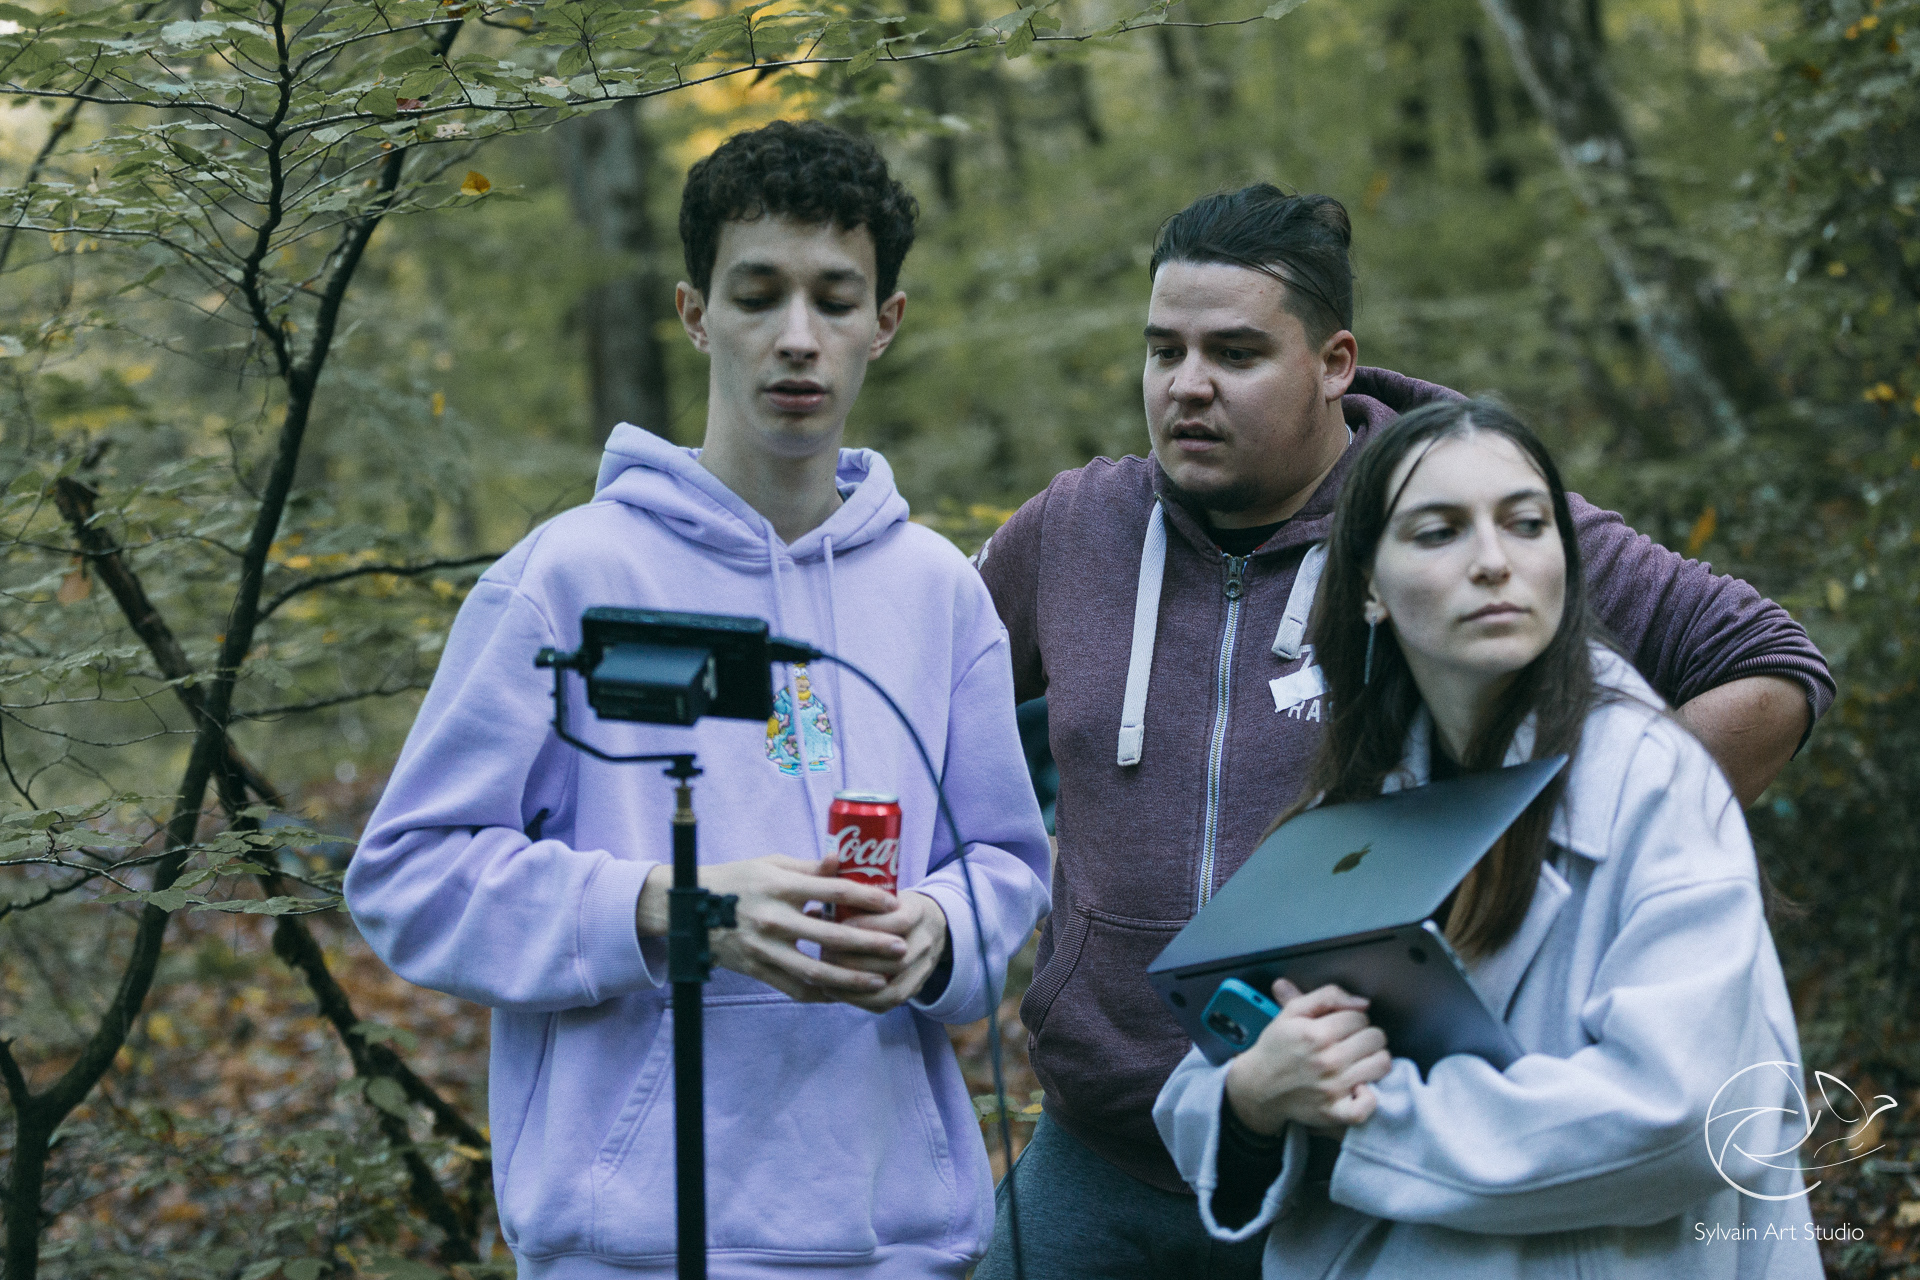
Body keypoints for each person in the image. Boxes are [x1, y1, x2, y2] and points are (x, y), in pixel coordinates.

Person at [972, 185, 1834, 1279]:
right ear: (1370, 595)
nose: (1187, 384)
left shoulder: (1454, 506)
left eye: (1234, 353)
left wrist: (1554, 834)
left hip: (1378, 1155)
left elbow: (1770, 663)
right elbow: (909, 707)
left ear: (1335, 362)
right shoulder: (1075, 530)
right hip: (1126, 1138)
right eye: (1163, 351)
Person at [345, 120, 1051, 1279]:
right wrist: (674, 910)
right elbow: (408, 876)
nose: (796, 336)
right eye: (757, 295)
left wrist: (936, 931)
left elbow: (1004, 865)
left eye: (834, 298)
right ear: (694, 313)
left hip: (896, 1239)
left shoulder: (938, 592)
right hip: (632, 1243)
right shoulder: (570, 577)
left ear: (885, 321)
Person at [1153, 396, 1821, 1278]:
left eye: (1526, 524)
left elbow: (1683, 1113)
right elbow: (1200, 1085)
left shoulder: (1655, 781)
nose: (1495, 561)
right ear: (1368, 586)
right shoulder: (1349, 803)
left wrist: (1364, 1121)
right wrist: (1253, 1096)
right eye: (1439, 532)